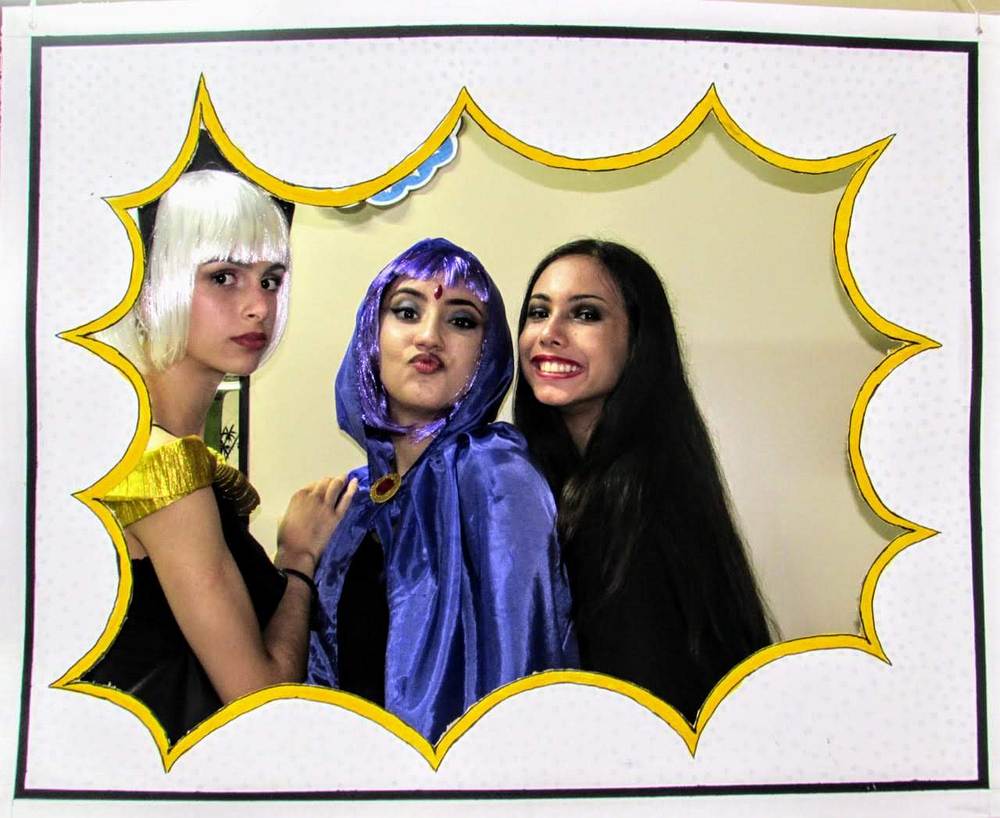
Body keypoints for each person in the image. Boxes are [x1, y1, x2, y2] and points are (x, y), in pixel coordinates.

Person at [83, 166, 357, 744]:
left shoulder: (141, 445)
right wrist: (299, 561)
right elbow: (258, 699)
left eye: (271, 280)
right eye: (224, 277)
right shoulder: (159, 468)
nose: (258, 306)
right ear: (153, 282)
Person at [307, 237, 577, 743]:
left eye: (461, 321)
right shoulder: (354, 500)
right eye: (406, 312)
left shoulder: (497, 475)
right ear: (371, 334)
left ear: (487, 351)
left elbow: (518, 674)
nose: (429, 336)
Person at [514, 238, 771, 724]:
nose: (549, 333)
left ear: (637, 341)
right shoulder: (543, 485)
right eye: (538, 312)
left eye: (585, 314)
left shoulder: (639, 509)